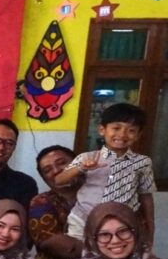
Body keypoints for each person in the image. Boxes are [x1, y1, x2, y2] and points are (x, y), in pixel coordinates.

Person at [55, 103, 156, 243]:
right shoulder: (87, 157)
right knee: (80, 255)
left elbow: (146, 195)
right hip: (83, 219)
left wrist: (150, 227)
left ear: (138, 135)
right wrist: (81, 167)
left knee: (117, 255)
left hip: (122, 223)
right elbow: (59, 180)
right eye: (116, 128)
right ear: (102, 130)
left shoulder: (143, 162)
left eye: (131, 130)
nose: (122, 134)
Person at [28, 145, 83, 259]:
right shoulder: (41, 202)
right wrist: (106, 250)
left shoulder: (102, 193)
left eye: (62, 163)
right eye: (47, 170)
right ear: (45, 179)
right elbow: (53, 243)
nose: (56, 170)